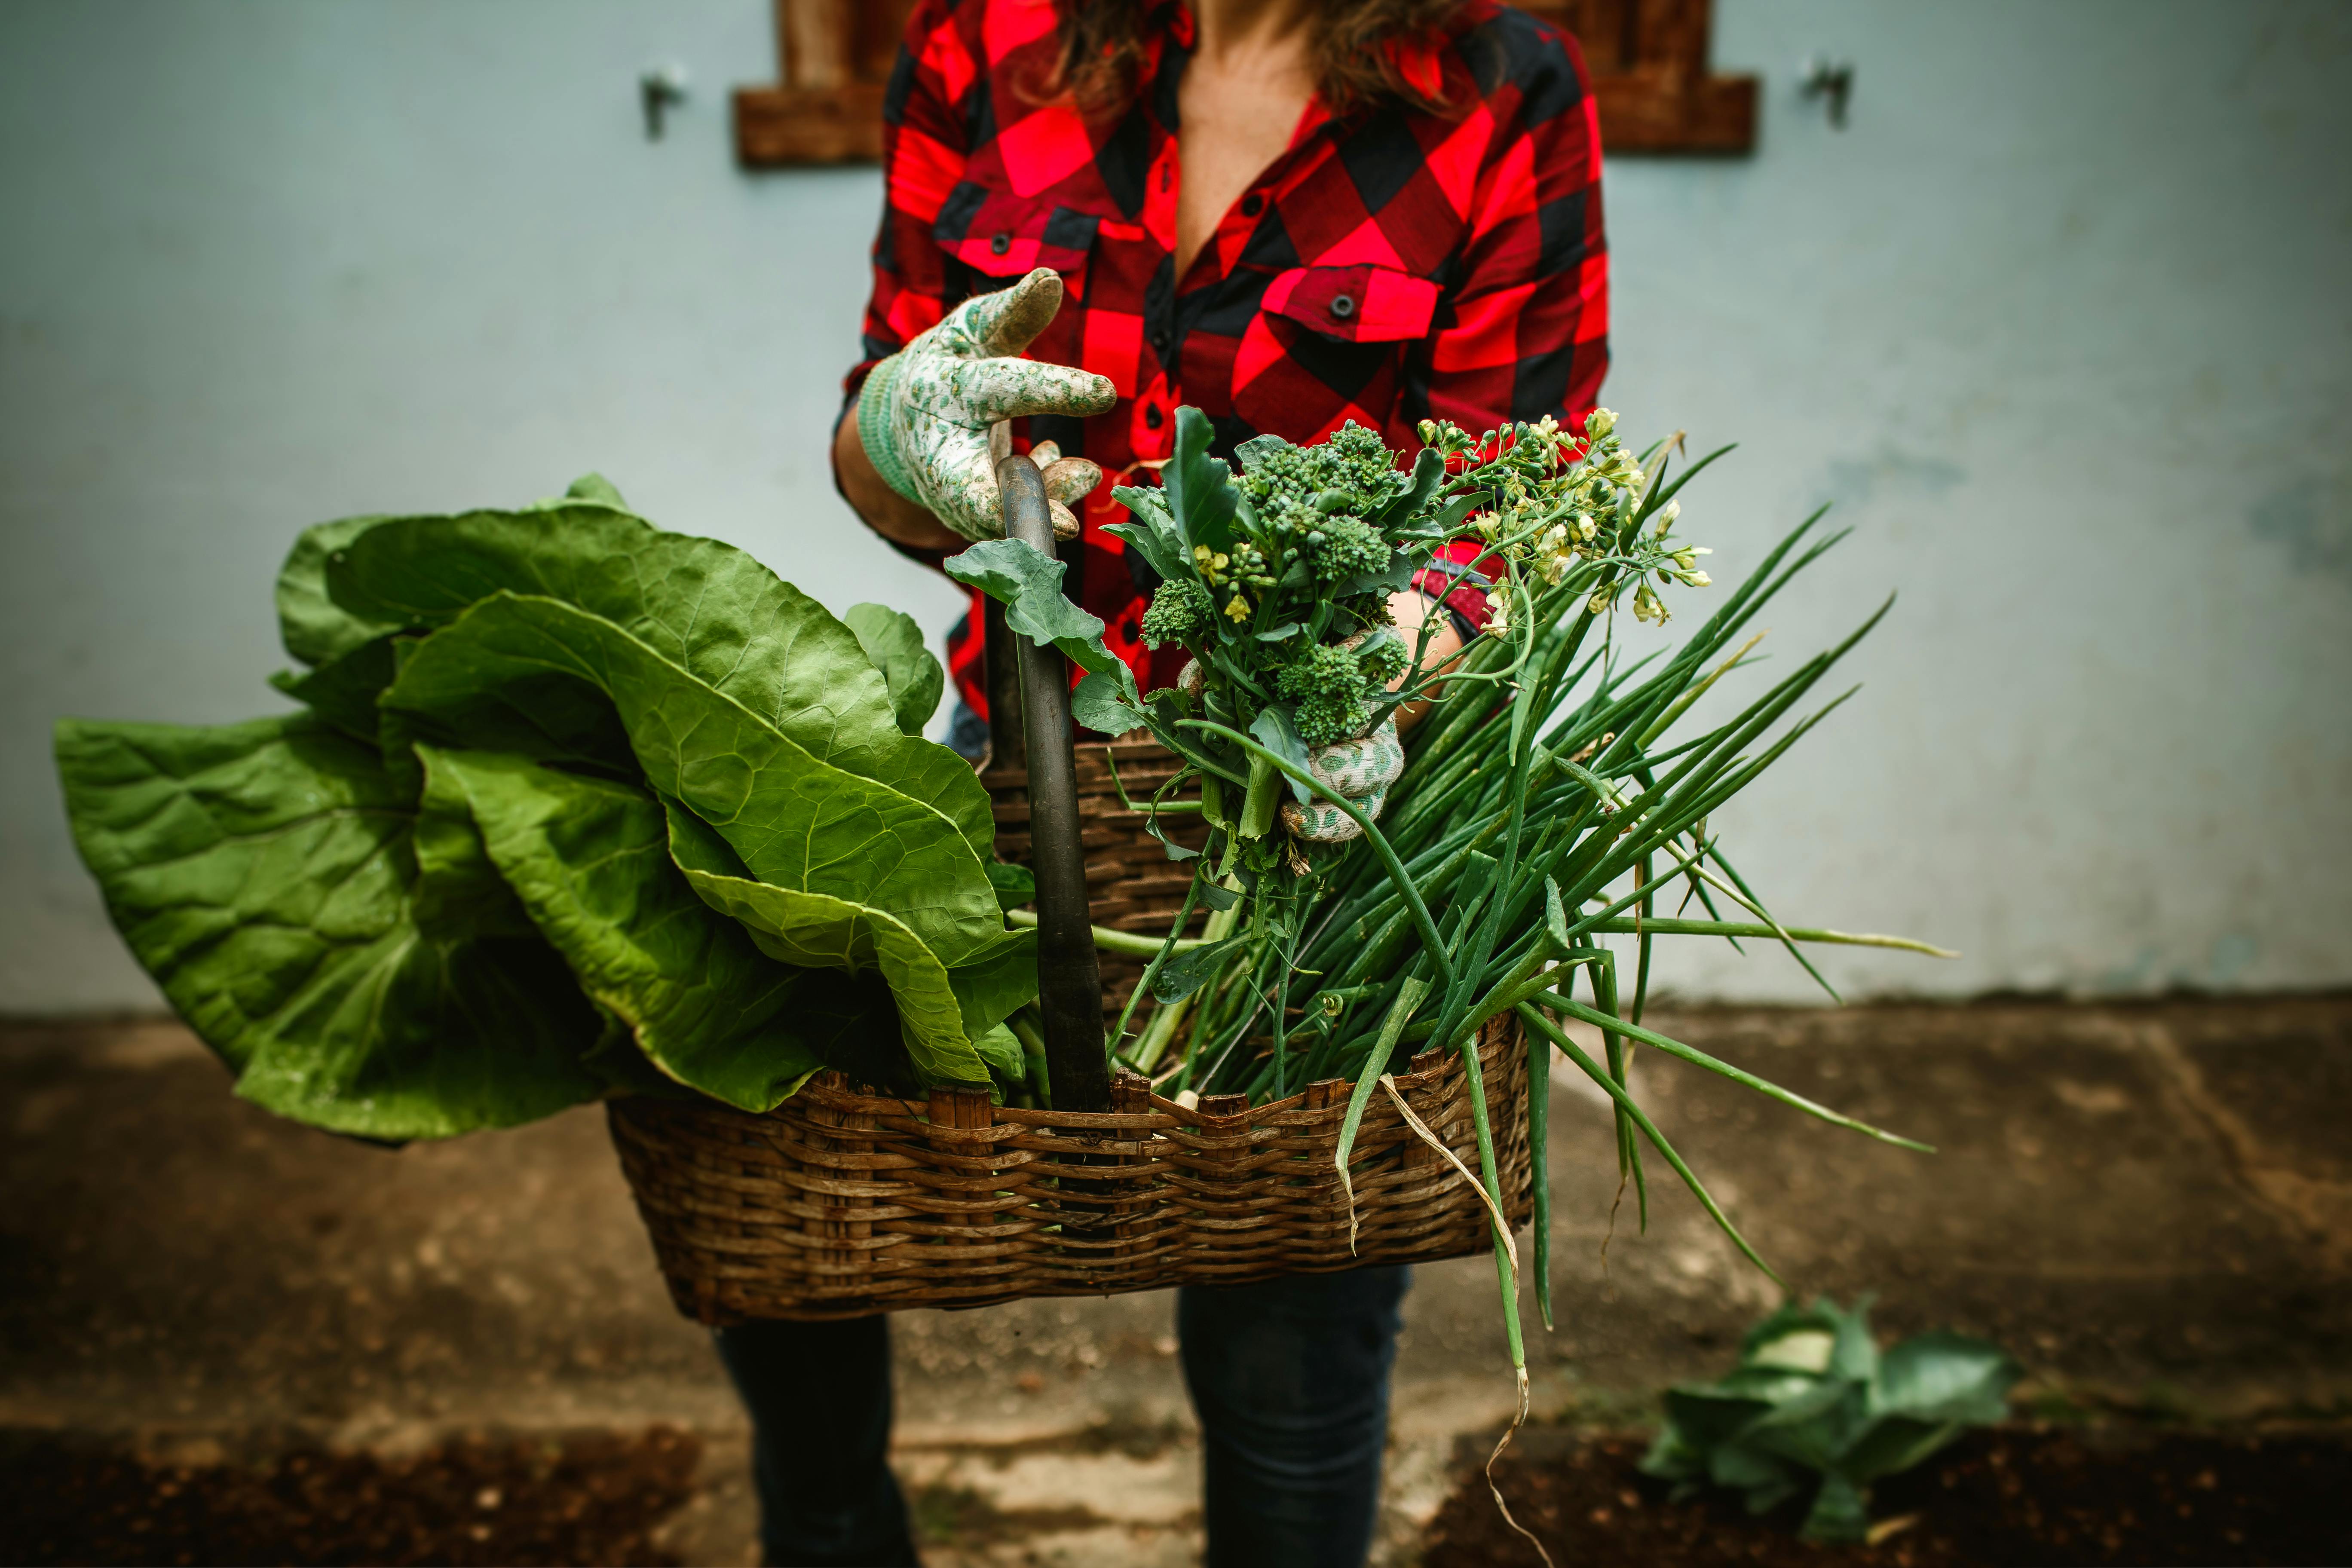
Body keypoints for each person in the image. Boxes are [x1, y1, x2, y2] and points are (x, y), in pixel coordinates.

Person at [720, 1, 1608, 1562]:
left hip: (1320, 819)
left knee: (1289, 1352)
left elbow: (1515, 498)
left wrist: (1384, 661)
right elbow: (885, 441)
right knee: (796, 1208)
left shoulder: (1494, 88)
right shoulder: (984, 42)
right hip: (1018, 760)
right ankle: (836, 1523)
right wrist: (889, 430)